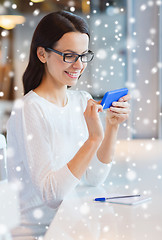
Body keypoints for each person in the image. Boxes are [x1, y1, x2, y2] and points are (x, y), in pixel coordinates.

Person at [6, 10, 130, 240]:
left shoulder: (80, 100)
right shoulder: (30, 108)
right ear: (42, 54)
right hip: (40, 233)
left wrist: (112, 127)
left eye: (84, 55)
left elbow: (93, 180)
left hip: (73, 225)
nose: (79, 65)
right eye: (69, 55)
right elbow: (51, 195)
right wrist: (93, 139)